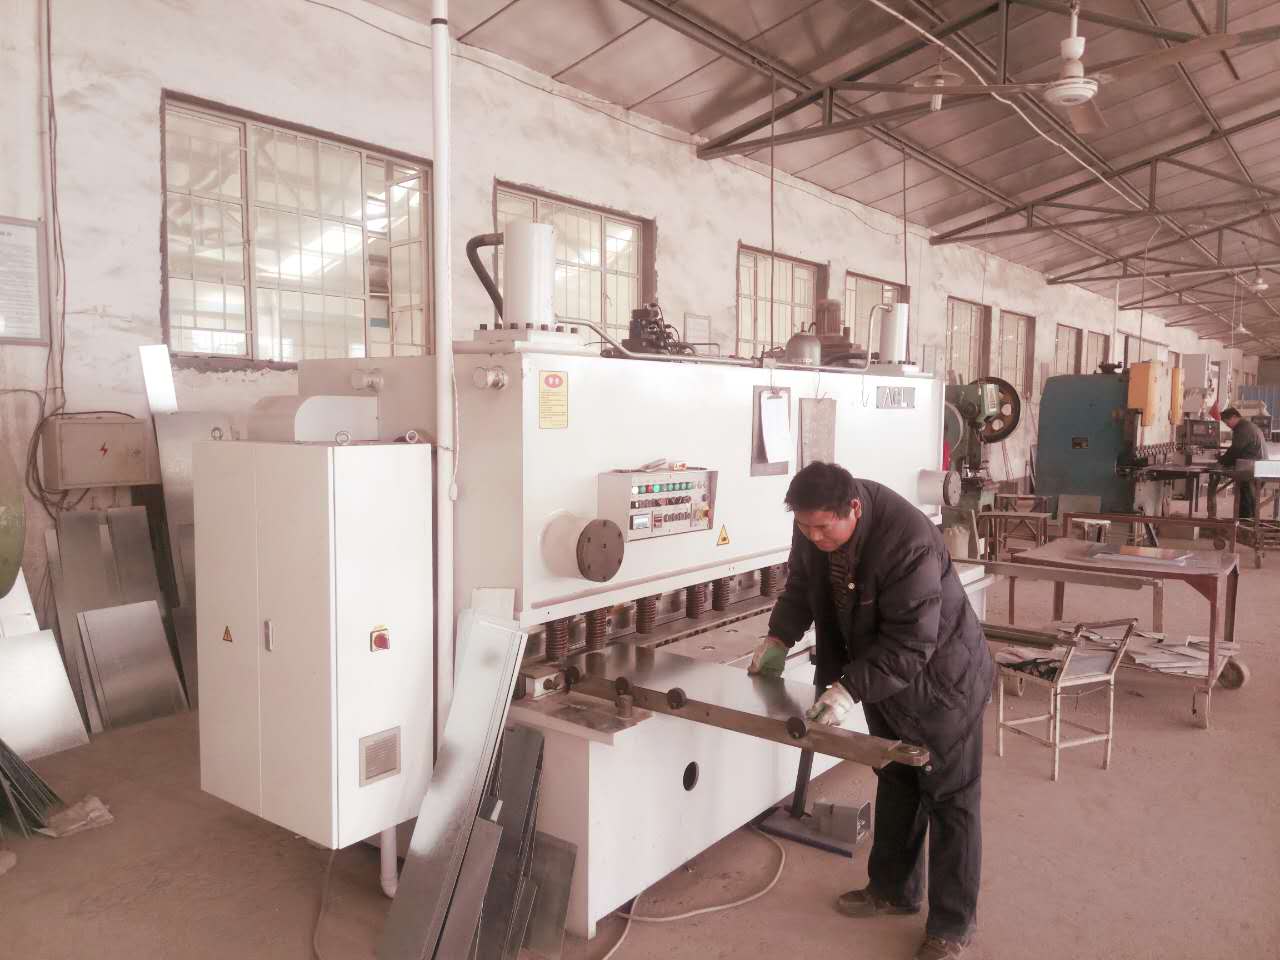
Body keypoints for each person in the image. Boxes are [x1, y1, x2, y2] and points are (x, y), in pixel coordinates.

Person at [749, 462, 992, 960]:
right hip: (885, 683)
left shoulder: (908, 542)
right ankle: (892, 891)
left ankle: (951, 926)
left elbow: (912, 643)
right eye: (804, 527)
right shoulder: (814, 526)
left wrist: (848, 690)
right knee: (897, 781)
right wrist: (778, 637)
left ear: (853, 509)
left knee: (950, 800)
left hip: (944, 684)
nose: (813, 537)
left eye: (823, 528)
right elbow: (802, 588)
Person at [1217, 408, 1266, 519]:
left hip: (1251, 470)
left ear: (1234, 417)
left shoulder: (1242, 428)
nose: (1227, 425)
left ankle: (1245, 525)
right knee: (1248, 499)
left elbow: (1235, 450)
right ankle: (1247, 523)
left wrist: (1221, 461)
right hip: (1257, 468)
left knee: (1247, 501)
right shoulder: (1248, 426)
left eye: (1227, 422)